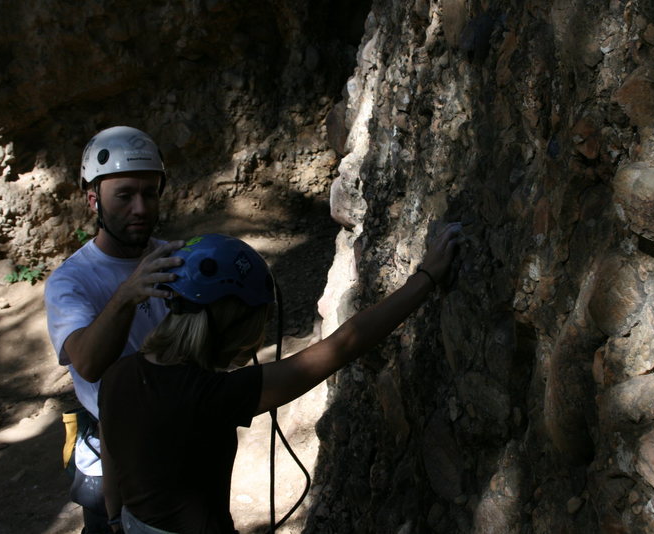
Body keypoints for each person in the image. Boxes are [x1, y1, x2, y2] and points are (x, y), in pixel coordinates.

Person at [98, 225, 462, 534]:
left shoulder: (118, 373)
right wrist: (426, 279)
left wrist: (114, 520)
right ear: (229, 323)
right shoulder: (209, 396)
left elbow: (111, 460)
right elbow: (344, 345)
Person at [44, 126, 185, 533]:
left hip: (177, 442)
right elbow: (87, 363)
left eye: (150, 193)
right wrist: (127, 294)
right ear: (94, 200)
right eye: (124, 195)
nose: (140, 207)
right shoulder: (71, 282)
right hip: (113, 463)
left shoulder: (172, 259)